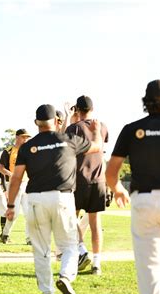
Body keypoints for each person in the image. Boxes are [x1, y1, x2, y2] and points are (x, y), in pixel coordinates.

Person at [105, 79, 160, 294]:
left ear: (146, 101)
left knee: (151, 271)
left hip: (145, 202)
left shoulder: (132, 129)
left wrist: (118, 189)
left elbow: (111, 173)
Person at [6, 104, 102, 294]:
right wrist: (95, 131)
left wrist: (11, 205)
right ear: (56, 122)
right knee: (69, 247)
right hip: (63, 198)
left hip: (35, 200)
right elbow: (96, 147)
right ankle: (66, 278)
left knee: (40, 250)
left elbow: (16, 179)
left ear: (36, 123)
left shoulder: (27, 147)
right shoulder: (68, 140)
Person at [65, 96, 109, 275]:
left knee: (70, 219)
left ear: (77, 109)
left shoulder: (74, 127)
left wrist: (69, 118)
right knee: (95, 223)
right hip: (98, 180)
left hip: (78, 179)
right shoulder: (103, 127)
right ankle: (97, 263)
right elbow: (101, 150)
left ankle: (82, 251)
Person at [0, 129, 32, 244]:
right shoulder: (8, 151)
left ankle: (29, 238)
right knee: (15, 212)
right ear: (17, 137)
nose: (26, 139)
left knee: (29, 213)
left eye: (27, 137)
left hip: (26, 184)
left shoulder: (28, 151)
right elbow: (0, 167)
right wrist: (10, 174)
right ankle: (5, 234)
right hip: (14, 184)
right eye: (24, 137)